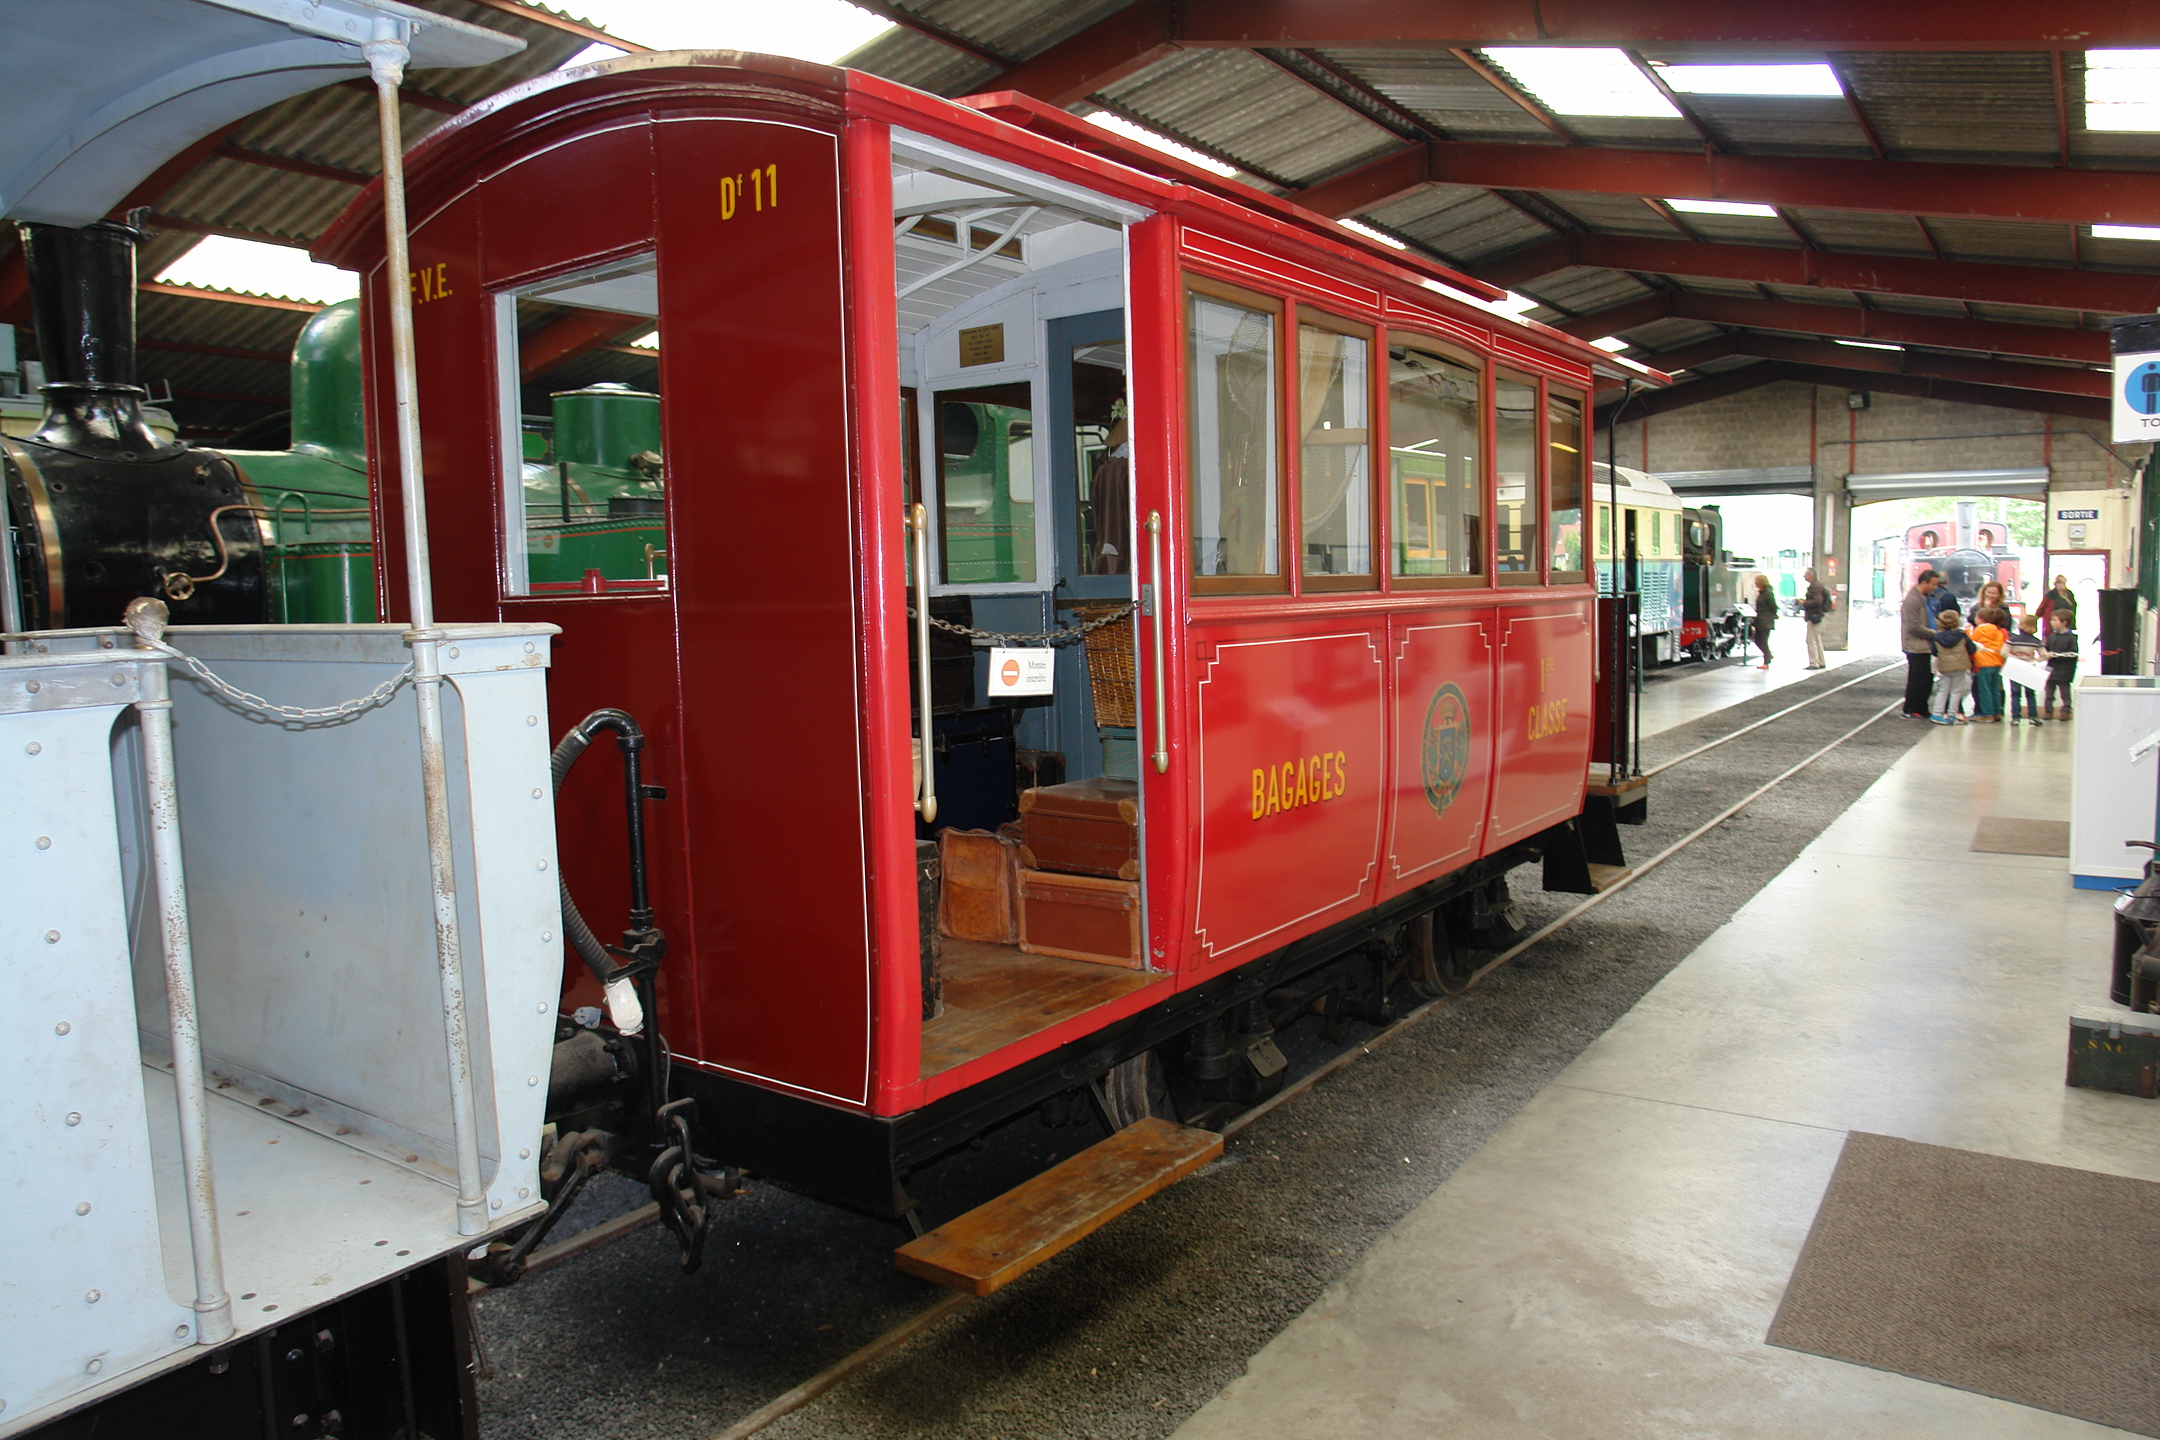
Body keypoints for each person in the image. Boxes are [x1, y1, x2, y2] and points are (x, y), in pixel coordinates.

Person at [1901, 569, 1944, 718]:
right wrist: (1935, 634)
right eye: (1933, 584)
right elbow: (1913, 626)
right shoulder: (1913, 600)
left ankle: (1921, 707)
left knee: (1925, 679)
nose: (1935, 587)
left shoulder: (1923, 598)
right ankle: (1912, 708)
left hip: (1925, 646)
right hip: (1917, 646)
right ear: (1924, 582)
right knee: (1917, 679)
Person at [1931, 603, 1975, 724]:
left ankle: (1937, 713)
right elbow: (1972, 649)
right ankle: (1952, 715)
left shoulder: (1937, 637)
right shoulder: (1962, 635)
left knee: (1943, 690)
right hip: (1960, 666)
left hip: (1944, 667)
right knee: (1956, 691)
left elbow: (1934, 652)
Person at [1969, 605, 2009, 723]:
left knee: (1984, 689)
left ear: (1980, 619)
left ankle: (1987, 714)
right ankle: (1997, 711)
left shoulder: (1979, 630)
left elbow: (1972, 642)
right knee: (1994, 689)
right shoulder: (1998, 631)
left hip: (1983, 663)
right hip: (1997, 662)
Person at [2006, 613, 2046, 725]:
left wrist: (2014, 658)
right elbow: (2044, 655)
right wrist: (2034, 661)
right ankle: (2033, 716)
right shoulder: (2036, 641)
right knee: (2030, 693)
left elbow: (2003, 652)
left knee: (2015, 693)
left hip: (2015, 668)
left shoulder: (2012, 639)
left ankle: (2015, 718)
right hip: (2029, 668)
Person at [2045, 611, 2079, 720]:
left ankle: (2065, 711)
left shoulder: (2071, 638)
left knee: (2065, 693)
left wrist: (2058, 655)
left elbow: (2073, 653)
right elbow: (2046, 649)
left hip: (2065, 669)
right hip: (2051, 668)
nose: (2052, 622)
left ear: (2064, 622)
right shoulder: (2051, 637)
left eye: (2055, 620)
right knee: (2049, 692)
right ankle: (2048, 711)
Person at [1801, 567, 1831, 669]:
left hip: (1814, 615)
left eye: (1806, 574)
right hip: (1818, 615)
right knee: (1817, 639)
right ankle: (1821, 661)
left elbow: (1817, 601)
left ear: (1811, 575)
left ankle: (1814, 662)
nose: (1804, 576)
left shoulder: (1815, 587)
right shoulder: (1818, 586)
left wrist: (1804, 603)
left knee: (1811, 639)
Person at [1751, 572, 1777, 669]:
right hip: (1761, 620)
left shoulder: (1767, 594)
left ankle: (1766, 661)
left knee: (1762, 641)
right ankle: (1768, 656)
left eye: (1756, 582)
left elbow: (1773, 606)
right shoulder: (1763, 593)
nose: (1755, 583)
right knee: (1759, 640)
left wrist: (1771, 615)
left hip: (1765, 620)